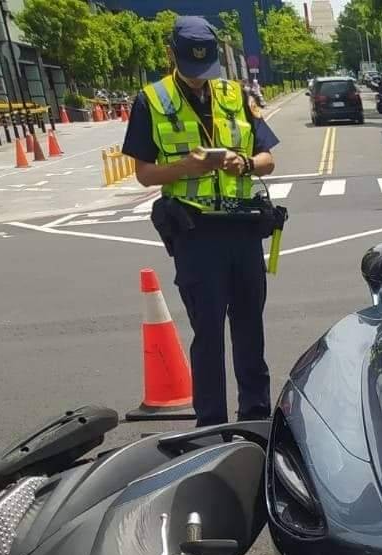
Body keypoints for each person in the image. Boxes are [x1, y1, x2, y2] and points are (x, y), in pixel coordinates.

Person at [122, 15, 280, 426]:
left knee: (251, 331)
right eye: (192, 70)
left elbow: (269, 158)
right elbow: (143, 172)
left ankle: (255, 419)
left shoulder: (235, 93)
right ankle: (210, 426)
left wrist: (243, 163)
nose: (199, 79)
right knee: (208, 335)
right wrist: (185, 168)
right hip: (195, 236)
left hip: (243, 231)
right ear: (171, 55)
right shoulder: (151, 100)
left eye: (205, 69)